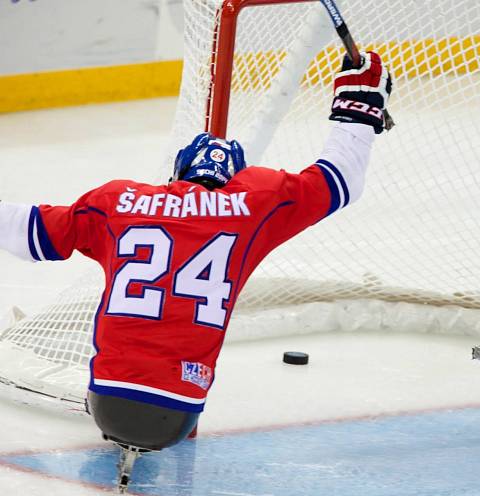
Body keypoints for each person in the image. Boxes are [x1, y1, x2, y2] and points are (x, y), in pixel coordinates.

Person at [0, 51, 392, 453]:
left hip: (107, 402)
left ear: (177, 172)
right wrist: (357, 107)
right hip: (178, 412)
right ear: (232, 180)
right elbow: (341, 178)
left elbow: (27, 231)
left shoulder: (118, 202)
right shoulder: (255, 204)